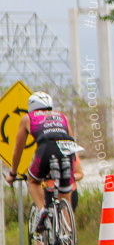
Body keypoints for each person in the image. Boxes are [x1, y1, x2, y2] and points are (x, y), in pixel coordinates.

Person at [4, 91, 83, 230]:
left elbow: (18, 149)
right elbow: (71, 141)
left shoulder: (28, 118)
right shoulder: (61, 116)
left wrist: (13, 173)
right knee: (66, 199)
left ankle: (42, 210)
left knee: (33, 180)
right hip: (67, 150)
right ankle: (68, 242)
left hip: (46, 149)